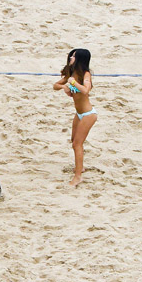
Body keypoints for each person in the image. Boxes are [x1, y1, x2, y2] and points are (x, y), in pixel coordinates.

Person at [53, 48, 97, 186]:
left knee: (77, 144)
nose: (70, 58)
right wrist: (64, 87)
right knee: (74, 141)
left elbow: (85, 90)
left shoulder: (85, 74)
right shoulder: (71, 73)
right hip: (79, 113)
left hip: (89, 114)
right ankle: (80, 167)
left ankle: (78, 176)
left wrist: (73, 83)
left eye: (73, 56)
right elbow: (55, 85)